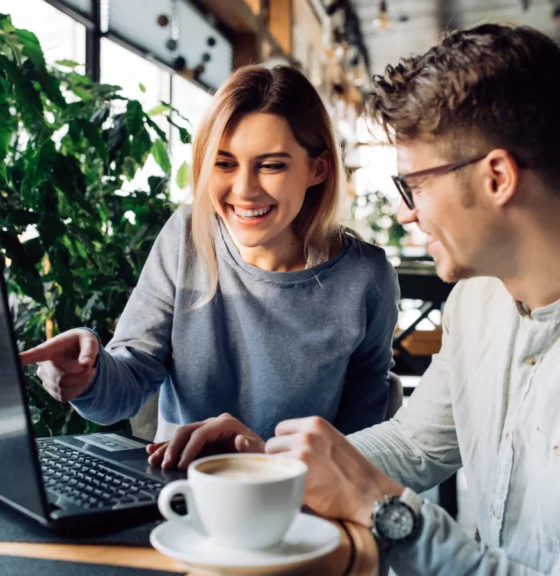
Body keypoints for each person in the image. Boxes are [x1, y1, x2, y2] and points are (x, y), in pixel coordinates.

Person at [157, 24, 560, 575]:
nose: (405, 211)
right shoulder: (479, 299)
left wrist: (381, 509)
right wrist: (269, 463)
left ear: (496, 177)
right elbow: (418, 445)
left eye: (413, 183)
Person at [20, 65, 399, 464]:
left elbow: (359, 440)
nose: (244, 190)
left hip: (300, 499)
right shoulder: (186, 235)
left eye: (271, 165)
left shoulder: (365, 279)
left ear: (317, 169)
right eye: (224, 163)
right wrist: (87, 375)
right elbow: (128, 382)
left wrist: (275, 468)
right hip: (184, 487)